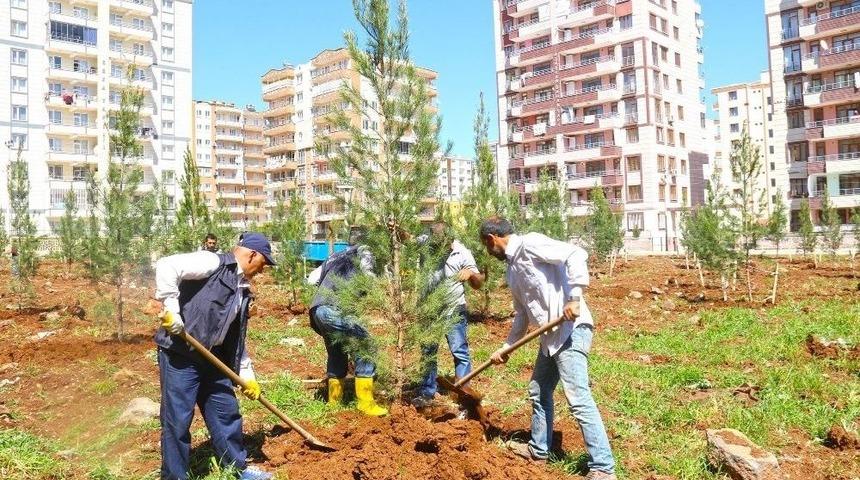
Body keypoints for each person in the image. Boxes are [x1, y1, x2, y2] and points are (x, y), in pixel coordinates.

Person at [479, 217, 616, 480]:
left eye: (486, 246)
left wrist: (574, 298)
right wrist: (507, 347)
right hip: (550, 338)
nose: (488, 251)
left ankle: (603, 467)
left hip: (571, 330)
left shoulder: (530, 244)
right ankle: (538, 450)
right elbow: (522, 315)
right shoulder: (512, 271)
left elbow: (576, 253)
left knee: (578, 398)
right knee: (538, 389)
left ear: (491, 239)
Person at [152, 232, 276, 480]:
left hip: (212, 358)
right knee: (177, 419)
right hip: (181, 354)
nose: (262, 271)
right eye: (263, 263)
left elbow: (234, 338)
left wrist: (248, 376)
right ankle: (175, 476)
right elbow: (167, 265)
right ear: (252, 255)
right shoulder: (213, 262)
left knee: (225, 411)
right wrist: (172, 310)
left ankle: (236, 469)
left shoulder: (242, 290)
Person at [306, 231, 388, 417]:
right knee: (367, 345)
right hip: (334, 310)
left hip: (317, 310)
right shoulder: (365, 251)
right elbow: (368, 276)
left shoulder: (335, 255)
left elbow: (311, 279)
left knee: (337, 352)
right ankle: (366, 403)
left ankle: (334, 403)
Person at [412, 221, 485, 408]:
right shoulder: (425, 242)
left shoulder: (462, 252)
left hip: (454, 309)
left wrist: (471, 274)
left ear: (450, 240)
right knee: (428, 352)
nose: (440, 248)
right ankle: (426, 392)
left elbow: (479, 283)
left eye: (444, 245)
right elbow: (406, 239)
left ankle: (464, 393)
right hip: (429, 309)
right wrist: (395, 228)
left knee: (459, 351)